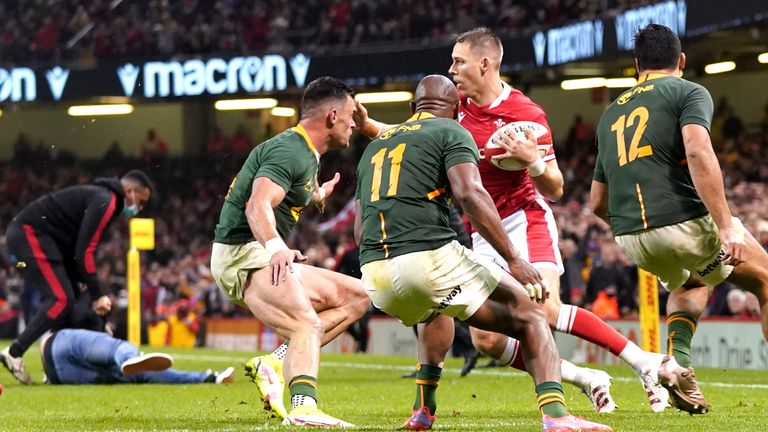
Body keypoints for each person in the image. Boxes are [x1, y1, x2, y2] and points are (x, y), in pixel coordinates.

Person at [357, 27, 668, 417]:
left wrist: (532, 159)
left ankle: (644, 363)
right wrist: (368, 126)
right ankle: (587, 379)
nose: (452, 69)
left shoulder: (526, 115)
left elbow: (554, 187)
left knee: (543, 308)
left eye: (459, 61)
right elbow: (417, 135)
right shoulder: (457, 111)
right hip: (485, 233)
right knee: (486, 339)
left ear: (485, 64)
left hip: (524, 221)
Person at [356, 74, 612, 432]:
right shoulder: (452, 130)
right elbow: (470, 194)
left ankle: (422, 411)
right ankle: (556, 416)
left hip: (375, 274)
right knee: (530, 313)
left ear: (412, 108)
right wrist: (513, 259)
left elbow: (360, 222)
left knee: (435, 311)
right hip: (426, 259)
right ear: (457, 109)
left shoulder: (375, 147)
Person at [589, 23, 768, 415]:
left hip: (631, 237)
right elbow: (700, 153)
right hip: (681, 222)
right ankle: (675, 363)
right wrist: (724, 227)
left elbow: (596, 202)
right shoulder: (688, 91)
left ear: (636, 65)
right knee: (764, 279)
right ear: (681, 60)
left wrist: (635, 229)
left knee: (693, 280)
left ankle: (676, 363)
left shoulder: (608, 116)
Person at [210, 76, 371, 428]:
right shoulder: (291, 150)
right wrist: (276, 247)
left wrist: (315, 196)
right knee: (305, 324)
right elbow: (257, 205)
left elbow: (288, 192)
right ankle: (303, 408)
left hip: (258, 251)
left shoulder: (305, 155)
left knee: (358, 297)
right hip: (244, 254)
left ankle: (276, 363)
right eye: (350, 115)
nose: (353, 124)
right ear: (331, 116)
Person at [0, 170, 153, 384]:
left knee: (69, 298)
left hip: (42, 238)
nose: (140, 208)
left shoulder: (102, 196)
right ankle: (14, 353)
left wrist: (87, 287)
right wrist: (97, 294)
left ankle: (56, 366)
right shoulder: (106, 200)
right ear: (130, 191)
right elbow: (84, 251)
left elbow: (75, 249)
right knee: (61, 299)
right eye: (142, 201)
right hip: (30, 233)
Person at [40, 328, 235, 385]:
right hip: (62, 343)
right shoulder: (89, 296)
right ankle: (129, 358)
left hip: (58, 375)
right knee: (119, 348)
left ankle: (210, 378)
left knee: (143, 373)